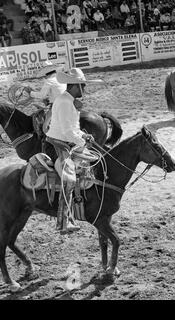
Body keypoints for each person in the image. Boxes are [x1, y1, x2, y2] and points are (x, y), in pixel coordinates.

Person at [45, 68, 102, 234]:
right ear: (75, 86)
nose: (84, 89)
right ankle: (63, 222)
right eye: (82, 86)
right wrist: (82, 140)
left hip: (65, 142)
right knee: (69, 178)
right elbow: (67, 131)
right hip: (57, 144)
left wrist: (84, 135)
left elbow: (74, 128)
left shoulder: (67, 101)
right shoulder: (63, 102)